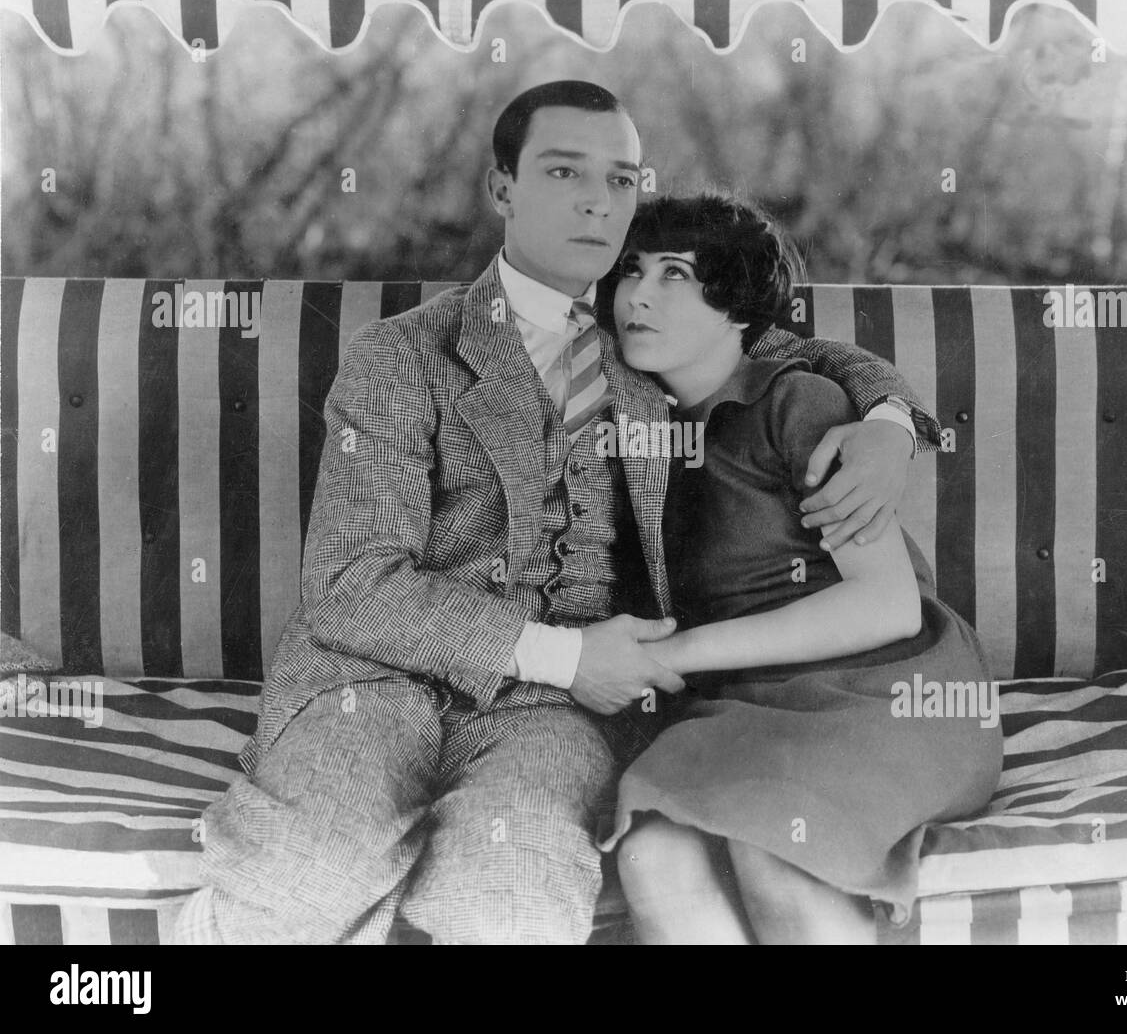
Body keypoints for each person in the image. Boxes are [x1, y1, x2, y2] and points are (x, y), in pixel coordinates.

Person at [174, 81, 941, 944]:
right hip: (370, 683)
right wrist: (566, 653)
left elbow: (792, 346)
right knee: (305, 876)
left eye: (621, 180)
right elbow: (351, 586)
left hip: (555, 712)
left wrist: (888, 422)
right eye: (563, 170)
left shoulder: (644, 333)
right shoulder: (400, 355)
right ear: (503, 188)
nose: (596, 200)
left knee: (517, 901)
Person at [603, 194, 1004, 944]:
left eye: (674, 274)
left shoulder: (798, 404)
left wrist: (671, 656)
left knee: (774, 848)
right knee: (652, 856)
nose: (638, 295)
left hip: (883, 689)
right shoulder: (639, 439)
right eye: (630, 271)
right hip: (745, 708)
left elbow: (889, 606)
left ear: (736, 307)